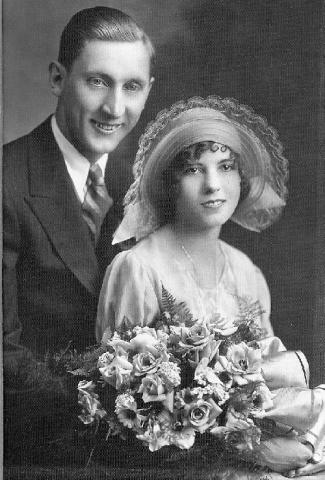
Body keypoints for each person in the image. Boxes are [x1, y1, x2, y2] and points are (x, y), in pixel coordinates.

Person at [96, 97, 325, 477]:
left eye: (225, 167)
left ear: (241, 178)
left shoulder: (246, 272)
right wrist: (255, 449)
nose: (213, 185)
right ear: (171, 181)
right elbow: (125, 412)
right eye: (193, 170)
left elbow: (266, 393)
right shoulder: (137, 268)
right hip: (178, 465)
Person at [3, 6, 154, 465]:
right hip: (30, 449)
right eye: (97, 82)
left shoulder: (148, 185)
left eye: (132, 87)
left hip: (138, 445)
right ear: (57, 79)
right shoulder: (7, 182)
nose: (115, 109)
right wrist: (111, 414)